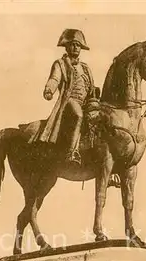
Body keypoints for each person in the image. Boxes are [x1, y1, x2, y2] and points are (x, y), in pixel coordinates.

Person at [37, 29, 95, 165]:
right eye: (73, 44)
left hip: (86, 102)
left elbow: (91, 87)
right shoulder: (60, 64)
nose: (75, 47)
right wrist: (49, 89)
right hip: (70, 100)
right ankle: (72, 152)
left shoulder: (85, 68)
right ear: (67, 46)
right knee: (78, 115)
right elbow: (55, 78)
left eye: (78, 45)